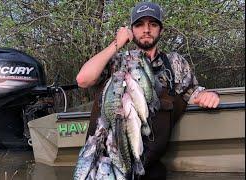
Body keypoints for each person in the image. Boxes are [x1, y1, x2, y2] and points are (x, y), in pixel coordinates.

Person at [76, 2, 220, 180]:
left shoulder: (174, 63)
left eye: (152, 24)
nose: (146, 30)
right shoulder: (116, 62)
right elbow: (83, 79)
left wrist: (207, 95)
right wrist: (116, 43)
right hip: (109, 164)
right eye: (139, 25)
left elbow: (192, 92)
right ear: (131, 30)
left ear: (161, 30)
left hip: (149, 165)